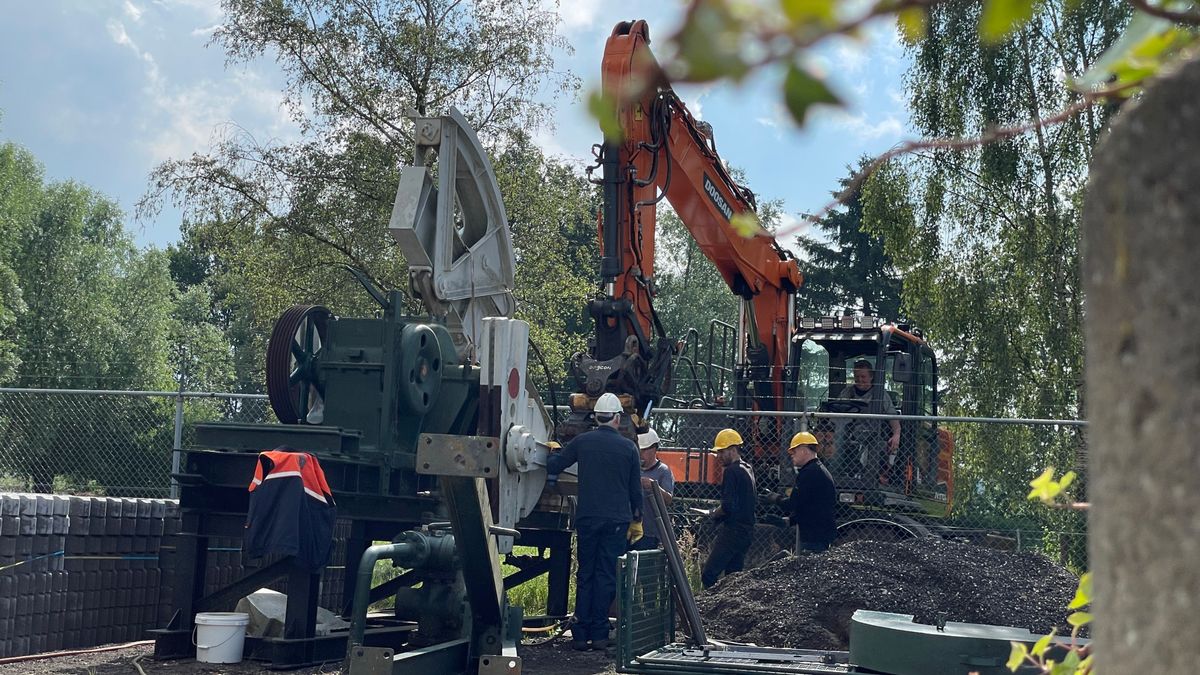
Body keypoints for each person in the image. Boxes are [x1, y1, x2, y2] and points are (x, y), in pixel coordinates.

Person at [546, 392, 641, 651]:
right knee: (606, 575)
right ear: (617, 418)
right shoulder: (629, 448)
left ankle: (579, 634)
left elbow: (556, 464)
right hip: (617, 521)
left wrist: (551, 453)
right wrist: (637, 518)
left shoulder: (582, 442)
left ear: (596, 416)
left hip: (588, 518)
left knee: (586, 573)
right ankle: (599, 634)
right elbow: (635, 489)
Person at [700, 428, 756, 588]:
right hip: (747, 531)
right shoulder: (748, 468)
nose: (718, 456)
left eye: (721, 452)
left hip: (733, 531)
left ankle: (709, 609)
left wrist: (713, 514)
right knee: (734, 578)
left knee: (708, 574)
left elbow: (728, 506)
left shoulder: (731, 471)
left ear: (732, 450)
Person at [772, 431, 837, 552]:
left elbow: (793, 503)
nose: (792, 455)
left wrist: (775, 498)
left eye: (794, 451)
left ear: (804, 450)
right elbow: (808, 506)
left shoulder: (810, 473)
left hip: (814, 537)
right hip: (818, 534)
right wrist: (788, 521)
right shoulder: (816, 470)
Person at [838, 359, 901, 481]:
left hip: (873, 435)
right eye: (857, 376)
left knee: (877, 445)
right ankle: (834, 476)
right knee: (834, 438)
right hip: (849, 434)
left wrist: (897, 434)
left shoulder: (880, 394)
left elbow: (893, 416)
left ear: (871, 377)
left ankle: (869, 481)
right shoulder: (847, 392)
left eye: (863, 376)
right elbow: (836, 412)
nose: (860, 380)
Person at [630, 428, 675, 551]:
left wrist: (653, 486)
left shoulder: (663, 471)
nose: (640, 454)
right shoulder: (633, 468)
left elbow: (668, 499)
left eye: (644, 450)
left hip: (650, 533)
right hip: (630, 530)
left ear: (654, 449)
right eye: (639, 449)